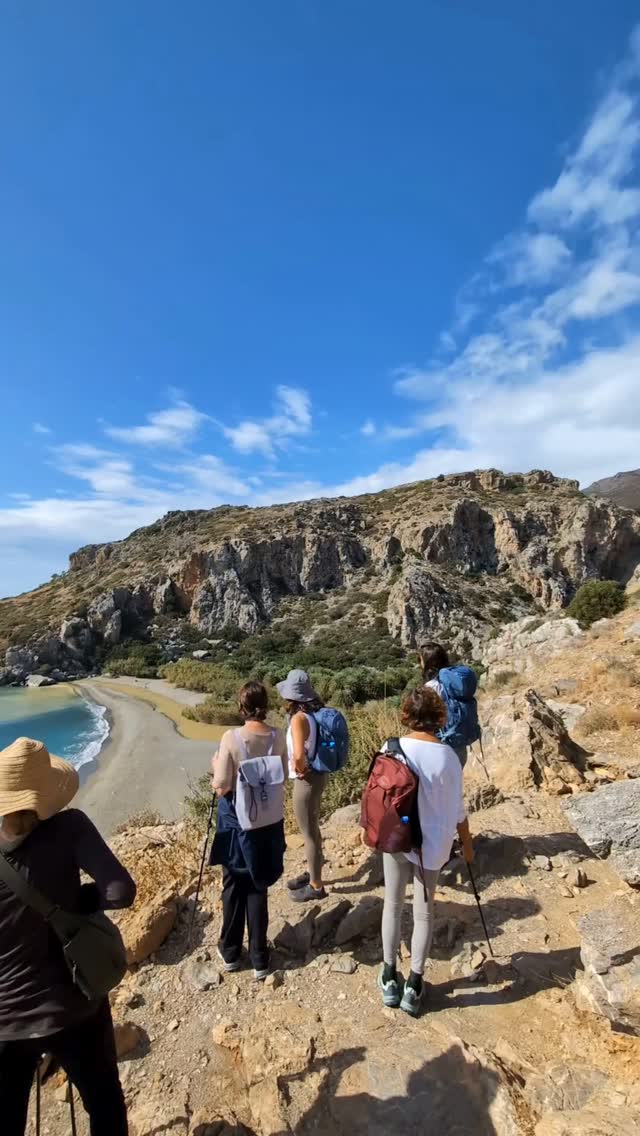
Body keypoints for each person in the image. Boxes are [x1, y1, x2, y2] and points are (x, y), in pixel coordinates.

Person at [0, 736, 136, 1136]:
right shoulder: (70, 827)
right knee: (105, 1104)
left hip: (7, 1020)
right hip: (75, 1006)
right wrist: (76, 902)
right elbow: (120, 891)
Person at [378, 687, 474, 1017]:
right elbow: (458, 808)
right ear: (439, 717)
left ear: (406, 714)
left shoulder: (391, 747)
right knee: (423, 913)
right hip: (430, 845)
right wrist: (467, 841)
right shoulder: (448, 756)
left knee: (392, 904)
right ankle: (414, 985)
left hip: (396, 837)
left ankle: (389, 976)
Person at [210, 681, 287, 980]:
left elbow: (221, 787)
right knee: (258, 885)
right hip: (268, 822)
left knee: (233, 885)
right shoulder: (278, 737)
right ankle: (259, 957)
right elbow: (280, 776)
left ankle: (230, 951)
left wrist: (215, 763)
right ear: (265, 705)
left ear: (241, 707)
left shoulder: (231, 738)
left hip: (236, 822)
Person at [276, 669, 328, 903]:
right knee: (312, 828)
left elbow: (298, 754)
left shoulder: (298, 719)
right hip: (317, 776)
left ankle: (316, 887)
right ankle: (313, 871)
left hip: (306, 780)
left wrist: (299, 768)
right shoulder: (312, 714)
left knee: (308, 833)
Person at [419, 640, 474, 768]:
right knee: (455, 782)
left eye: (420, 659)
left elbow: (426, 720)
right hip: (460, 743)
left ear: (427, 663)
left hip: (441, 745)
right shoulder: (452, 682)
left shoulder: (432, 686)